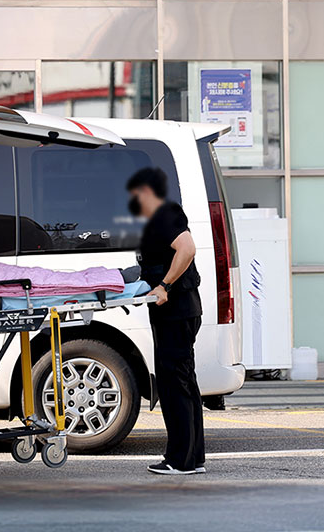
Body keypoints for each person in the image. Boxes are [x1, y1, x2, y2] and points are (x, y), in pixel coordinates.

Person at [126, 167, 205, 476]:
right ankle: (191, 458)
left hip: (177, 310)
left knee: (175, 383)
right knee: (182, 381)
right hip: (178, 311)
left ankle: (181, 460)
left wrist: (166, 285)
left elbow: (187, 248)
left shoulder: (165, 213)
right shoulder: (159, 217)